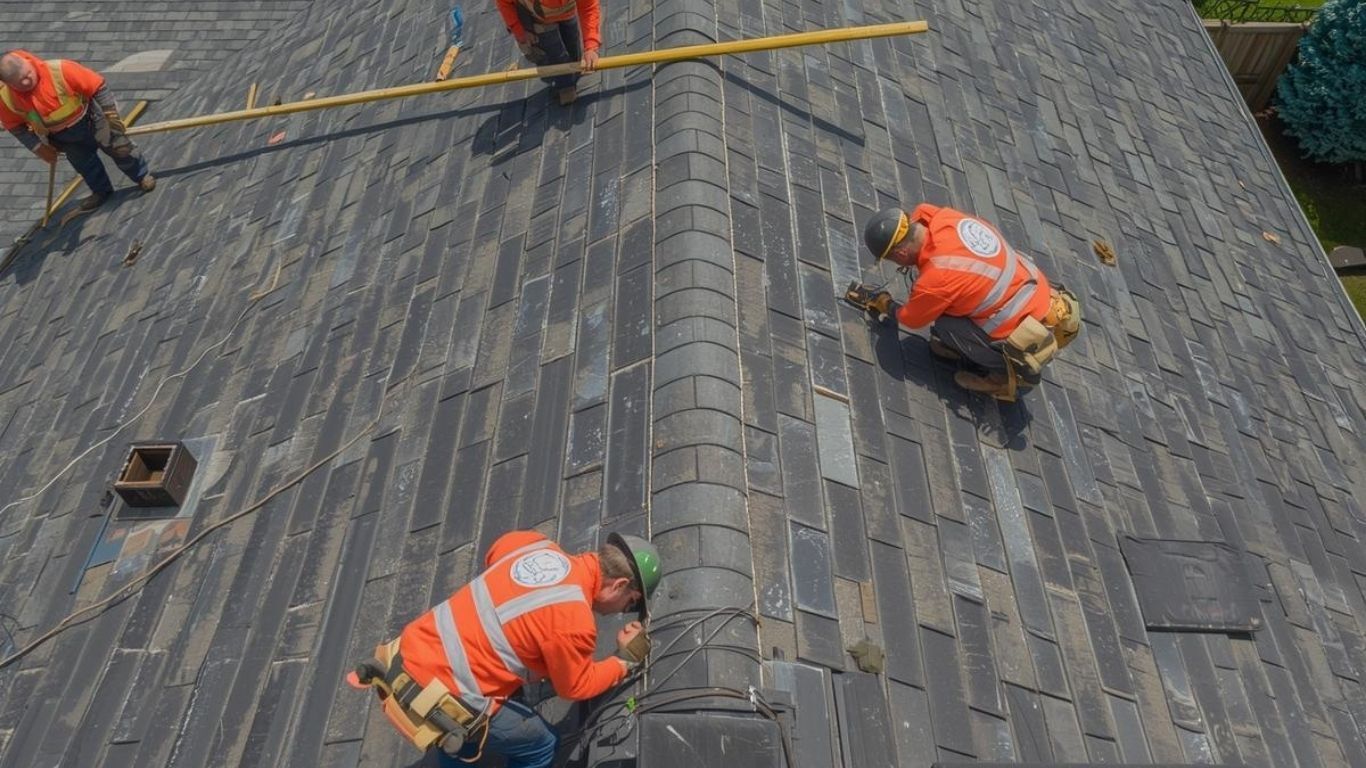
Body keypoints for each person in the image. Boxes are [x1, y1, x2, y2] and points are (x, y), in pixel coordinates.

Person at [350, 530, 662, 768]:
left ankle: (457, 753)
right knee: (543, 746)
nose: (622, 611)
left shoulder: (534, 545)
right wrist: (625, 660)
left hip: (402, 660)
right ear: (619, 585)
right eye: (629, 602)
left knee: (483, 724)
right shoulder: (574, 620)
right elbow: (576, 686)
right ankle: (461, 748)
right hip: (442, 697)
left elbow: (496, 552)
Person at [859, 203, 1081, 401]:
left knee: (945, 323)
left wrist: (887, 305)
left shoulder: (938, 277)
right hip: (1039, 292)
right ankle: (961, 346)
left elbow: (911, 319)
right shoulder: (941, 217)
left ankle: (1002, 376)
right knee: (949, 305)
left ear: (901, 252)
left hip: (1028, 333)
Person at [0, 50, 155, 213]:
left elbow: (98, 86)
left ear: (29, 63)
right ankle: (101, 192)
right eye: (19, 82)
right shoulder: (6, 99)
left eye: (28, 74)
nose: (26, 82)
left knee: (120, 148)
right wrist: (38, 147)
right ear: (8, 84)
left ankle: (141, 176)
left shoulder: (60, 71)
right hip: (62, 137)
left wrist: (110, 114)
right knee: (85, 165)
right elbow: (16, 127)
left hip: (93, 120)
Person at [497, 0, 601, 105]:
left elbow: (588, 8)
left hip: (567, 12)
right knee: (555, 53)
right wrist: (520, 31)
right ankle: (565, 86)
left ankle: (574, 72)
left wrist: (591, 47)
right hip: (537, 18)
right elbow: (503, 3)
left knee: (573, 44)